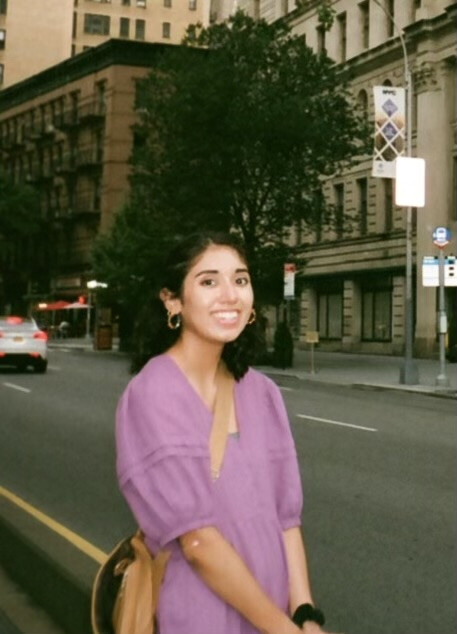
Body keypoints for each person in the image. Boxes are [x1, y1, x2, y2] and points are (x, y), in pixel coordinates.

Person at [115, 232, 338, 634]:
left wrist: (304, 614)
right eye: (208, 281)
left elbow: (286, 519)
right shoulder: (153, 393)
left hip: (274, 615)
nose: (230, 295)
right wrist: (283, 630)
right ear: (172, 301)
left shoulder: (261, 392)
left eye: (240, 279)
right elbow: (197, 543)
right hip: (201, 617)